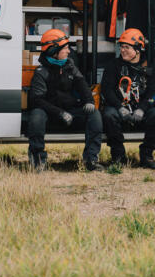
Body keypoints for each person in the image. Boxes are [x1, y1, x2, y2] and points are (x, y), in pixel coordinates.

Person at [27, 29, 103, 172]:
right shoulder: (41, 72)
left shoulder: (70, 66)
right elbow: (37, 100)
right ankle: (38, 161)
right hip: (51, 114)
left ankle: (91, 160)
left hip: (71, 112)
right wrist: (60, 113)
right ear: (54, 50)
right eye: (66, 48)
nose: (69, 51)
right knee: (36, 116)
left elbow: (82, 85)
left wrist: (89, 102)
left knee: (94, 115)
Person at [100, 28, 155, 169]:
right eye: (121, 47)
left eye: (127, 47)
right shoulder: (113, 66)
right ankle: (118, 156)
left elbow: (152, 91)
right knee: (109, 116)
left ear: (138, 50)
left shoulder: (149, 68)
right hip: (119, 108)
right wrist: (119, 107)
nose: (123, 50)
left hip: (140, 109)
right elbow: (107, 90)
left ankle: (147, 155)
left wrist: (142, 109)